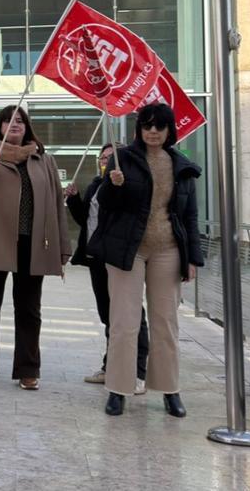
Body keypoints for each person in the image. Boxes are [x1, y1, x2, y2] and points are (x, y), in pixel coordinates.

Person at [93, 103, 202, 418]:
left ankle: (169, 390)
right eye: (147, 126)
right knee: (124, 322)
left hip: (168, 250)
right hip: (129, 250)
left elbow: (190, 217)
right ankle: (118, 389)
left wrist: (192, 258)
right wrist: (111, 186)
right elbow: (106, 205)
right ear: (139, 129)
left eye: (160, 126)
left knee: (165, 322)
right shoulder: (122, 159)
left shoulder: (182, 166)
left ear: (169, 131)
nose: (153, 132)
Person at [0, 104, 66, 390]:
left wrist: (63, 246)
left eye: (20, 120)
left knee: (29, 309)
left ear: (27, 126)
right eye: (8, 121)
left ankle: (28, 370)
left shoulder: (43, 160)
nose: (14, 124)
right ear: (0, 127)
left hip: (33, 245)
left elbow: (56, 205)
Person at [66, 143, 149, 390]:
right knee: (108, 316)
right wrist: (73, 200)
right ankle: (111, 366)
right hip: (96, 258)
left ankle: (138, 372)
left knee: (131, 314)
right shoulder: (95, 184)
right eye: (102, 158)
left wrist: (120, 185)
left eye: (111, 157)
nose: (105, 161)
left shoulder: (132, 185)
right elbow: (86, 219)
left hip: (118, 258)